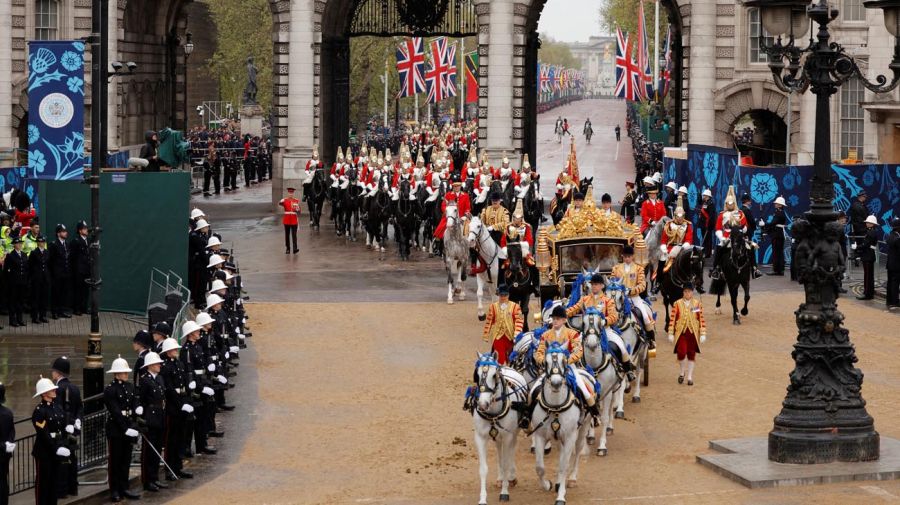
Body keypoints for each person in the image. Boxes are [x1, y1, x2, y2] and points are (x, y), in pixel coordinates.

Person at [566, 274, 635, 380]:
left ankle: (627, 370)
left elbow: (614, 316)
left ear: (602, 286)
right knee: (572, 348)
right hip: (587, 332)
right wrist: (561, 315)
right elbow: (573, 309)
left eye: (596, 284)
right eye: (592, 284)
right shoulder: (584, 299)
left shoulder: (608, 301)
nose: (594, 286)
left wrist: (604, 321)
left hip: (604, 330)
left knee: (621, 347)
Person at [102, 356, 142, 503]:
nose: (126, 374)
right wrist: (125, 428)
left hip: (128, 426)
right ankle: (114, 490)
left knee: (126, 460)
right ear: (116, 373)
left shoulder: (130, 387)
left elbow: (134, 402)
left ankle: (124, 487)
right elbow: (115, 412)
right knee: (115, 461)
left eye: (126, 372)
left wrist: (135, 419)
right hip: (116, 429)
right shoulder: (110, 390)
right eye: (123, 372)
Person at [158, 336, 195, 481]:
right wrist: (181, 404)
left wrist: (187, 400)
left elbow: (184, 384)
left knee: (180, 438)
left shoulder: (180, 364)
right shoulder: (166, 367)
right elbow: (169, 390)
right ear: (167, 352)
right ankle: (169, 469)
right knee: (171, 440)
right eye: (173, 349)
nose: (176, 351)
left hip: (182, 404)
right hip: (173, 407)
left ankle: (178, 467)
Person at [611, 246, 657, 348]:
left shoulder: (639, 269)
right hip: (620, 299)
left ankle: (651, 340)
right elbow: (612, 284)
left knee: (645, 317)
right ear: (622, 256)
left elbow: (642, 285)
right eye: (625, 256)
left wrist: (631, 291)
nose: (627, 259)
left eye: (629, 256)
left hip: (634, 298)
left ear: (632, 257)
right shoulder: (616, 269)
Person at [712, 186, 761, 280]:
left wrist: (742, 230)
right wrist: (721, 238)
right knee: (719, 248)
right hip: (726, 236)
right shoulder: (722, 215)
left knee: (750, 247)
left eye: (732, 203)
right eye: (728, 203)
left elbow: (745, 225)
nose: (730, 205)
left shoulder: (740, 213)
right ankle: (716, 269)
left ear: (734, 203)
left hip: (739, 236)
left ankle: (754, 269)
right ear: (726, 204)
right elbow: (718, 228)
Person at [31, 377, 67, 505]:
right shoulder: (40, 411)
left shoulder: (56, 407)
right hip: (45, 452)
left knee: (54, 483)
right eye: (51, 389)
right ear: (44, 393)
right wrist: (56, 447)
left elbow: (61, 428)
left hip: (56, 450)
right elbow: (44, 433)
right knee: (43, 484)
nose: (54, 390)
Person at [50, 357, 81, 499]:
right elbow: (80, 408)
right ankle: (72, 487)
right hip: (73, 430)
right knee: (72, 459)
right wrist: (77, 422)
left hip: (62, 431)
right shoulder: (74, 388)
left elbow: (58, 412)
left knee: (62, 461)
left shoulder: (57, 389)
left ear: (57, 373)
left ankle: (62, 490)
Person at [138, 352, 166, 492]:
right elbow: (141, 401)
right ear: (150, 365)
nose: (159, 365)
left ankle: (155, 477)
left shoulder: (160, 379)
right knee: (148, 451)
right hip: (150, 417)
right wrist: (142, 420)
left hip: (159, 416)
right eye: (156, 363)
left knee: (157, 449)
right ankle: (147, 480)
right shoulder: (144, 380)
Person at [481, 287, 523, 364]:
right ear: (498, 295)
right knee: (499, 358)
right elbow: (489, 321)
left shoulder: (516, 307)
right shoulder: (493, 307)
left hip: (510, 336)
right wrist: (486, 334)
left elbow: (519, 321)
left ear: (508, 295)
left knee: (510, 359)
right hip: (497, 336)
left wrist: (516, 334)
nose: (503, 297)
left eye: (505, 295)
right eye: (501, 295)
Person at [660, 196, 693, 273]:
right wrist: (664, 249)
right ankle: (658, 281)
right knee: (661, 262)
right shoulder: (668, 225)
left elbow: (689, 240)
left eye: (681, 216)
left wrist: (683, 247)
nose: (680, 218)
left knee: (691, 265)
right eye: (678, 216)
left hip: (682, 249)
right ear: (675, 215)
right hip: (669, 249)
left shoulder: (687, 225)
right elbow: (664, 240)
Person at [3, 236, 27, 327]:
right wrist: (8, 282)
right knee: (13, 301)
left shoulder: (24, 255)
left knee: (20, 301)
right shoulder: (10, 255)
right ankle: (12, 320)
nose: (20, 245)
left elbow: (26, 268)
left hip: (22, 282)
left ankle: (20, 319)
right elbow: (6, 270)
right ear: (14, 245)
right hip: (13, 283)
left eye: (20, 243)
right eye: (18, 243)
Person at [48, 224, 71, 319]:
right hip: (56, 274)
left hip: (65, 273)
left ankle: (62, 311)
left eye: (65, 231)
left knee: (64, 293)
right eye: (63, 231)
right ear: (58, 233)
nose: (65, 233)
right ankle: (55, 312)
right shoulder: (53, 244)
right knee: (56, 293)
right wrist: (53, 273)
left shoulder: (66, 244)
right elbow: (50, 260)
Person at [856, 215, 880, 301]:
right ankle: (869, 292)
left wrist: (857, 247)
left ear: (872, 224)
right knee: (869, 275)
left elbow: (865, 244)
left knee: (868, 276)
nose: (866, 223)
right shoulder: (871, 232)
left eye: (868, 222)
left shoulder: (870, 233)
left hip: (868, 256)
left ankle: (867, 293)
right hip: (869, 255)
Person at [762, 196, 788, 276]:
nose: (775, 204)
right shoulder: (779, 212)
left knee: (777, 252)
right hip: (778, 234)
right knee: (778, 252)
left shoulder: (779, 213)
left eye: (777, 203)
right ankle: (779, 270)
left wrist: (764, 224)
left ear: (780, 205)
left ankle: (777, 270)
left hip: (777, 235)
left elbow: (773, 223)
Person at [70, 220, 91, 315]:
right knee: (78, 290)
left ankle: (84, 308)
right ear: (79, 230)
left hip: (87, 269)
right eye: (84, 228)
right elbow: (73, 257)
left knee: (85, 290)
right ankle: (76, 309)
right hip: (78, 270)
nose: (86, 230)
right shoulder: (76, 241)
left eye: (86, 228)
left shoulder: (89, 241)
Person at [29, 235, 50, 324]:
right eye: (41, 242)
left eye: (43, 242)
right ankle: (34, 317)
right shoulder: (34, 253)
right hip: (36, 278)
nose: (42, 243)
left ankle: (43, 315)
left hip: (45, 278)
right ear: (38, 243)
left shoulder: (47, 252)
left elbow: (48, 264)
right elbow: (30, 265)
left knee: (44, 298)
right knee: (36, 298)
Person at [0, 383, 13, 505]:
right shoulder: (8, 413)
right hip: (5, 454)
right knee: (3, 481)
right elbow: (11, 432)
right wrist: (8, 444)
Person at [848, 190, 868, 262]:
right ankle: (857, 258)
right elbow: (863, 217)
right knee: (859, 244)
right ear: (861, 197)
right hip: (860, 229)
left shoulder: (860, 205)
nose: (865, 198)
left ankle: (858, 258)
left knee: (859, 244)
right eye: (864, 197)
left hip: (860, 228)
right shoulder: (857, 206)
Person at [279, 188, 300, 254]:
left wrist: (297, 210)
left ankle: (295, 249)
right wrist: (281, 201)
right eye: (289, 193)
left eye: (292, 193)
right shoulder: (284, 200)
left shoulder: (296, 201)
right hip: (287, 220)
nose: (290, 194)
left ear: (293, 193)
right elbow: (280, 204)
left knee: (294, 235)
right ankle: (288, 248)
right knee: (287, 235)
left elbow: (299, 211)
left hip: (294, 219)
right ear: (288, 193)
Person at [886, 217, 900, 309]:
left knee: (890, 282)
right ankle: (895, 301)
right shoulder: (898, 239)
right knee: (895, 283)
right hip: (897, 265)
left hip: (890, 264)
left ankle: (889, 300)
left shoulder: (890, 236)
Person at [699, 189, 716, 258]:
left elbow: (711, 216)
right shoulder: (705, 203)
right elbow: (700, 202)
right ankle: (704, 251)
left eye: (704, 195)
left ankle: (708, 253)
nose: (703, 197)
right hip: (703, 224)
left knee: (708, 239)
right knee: (704, 238)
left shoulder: (711, 204)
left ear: (707, 196)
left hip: (707, 224)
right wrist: (699, 196)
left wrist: (708, 225)